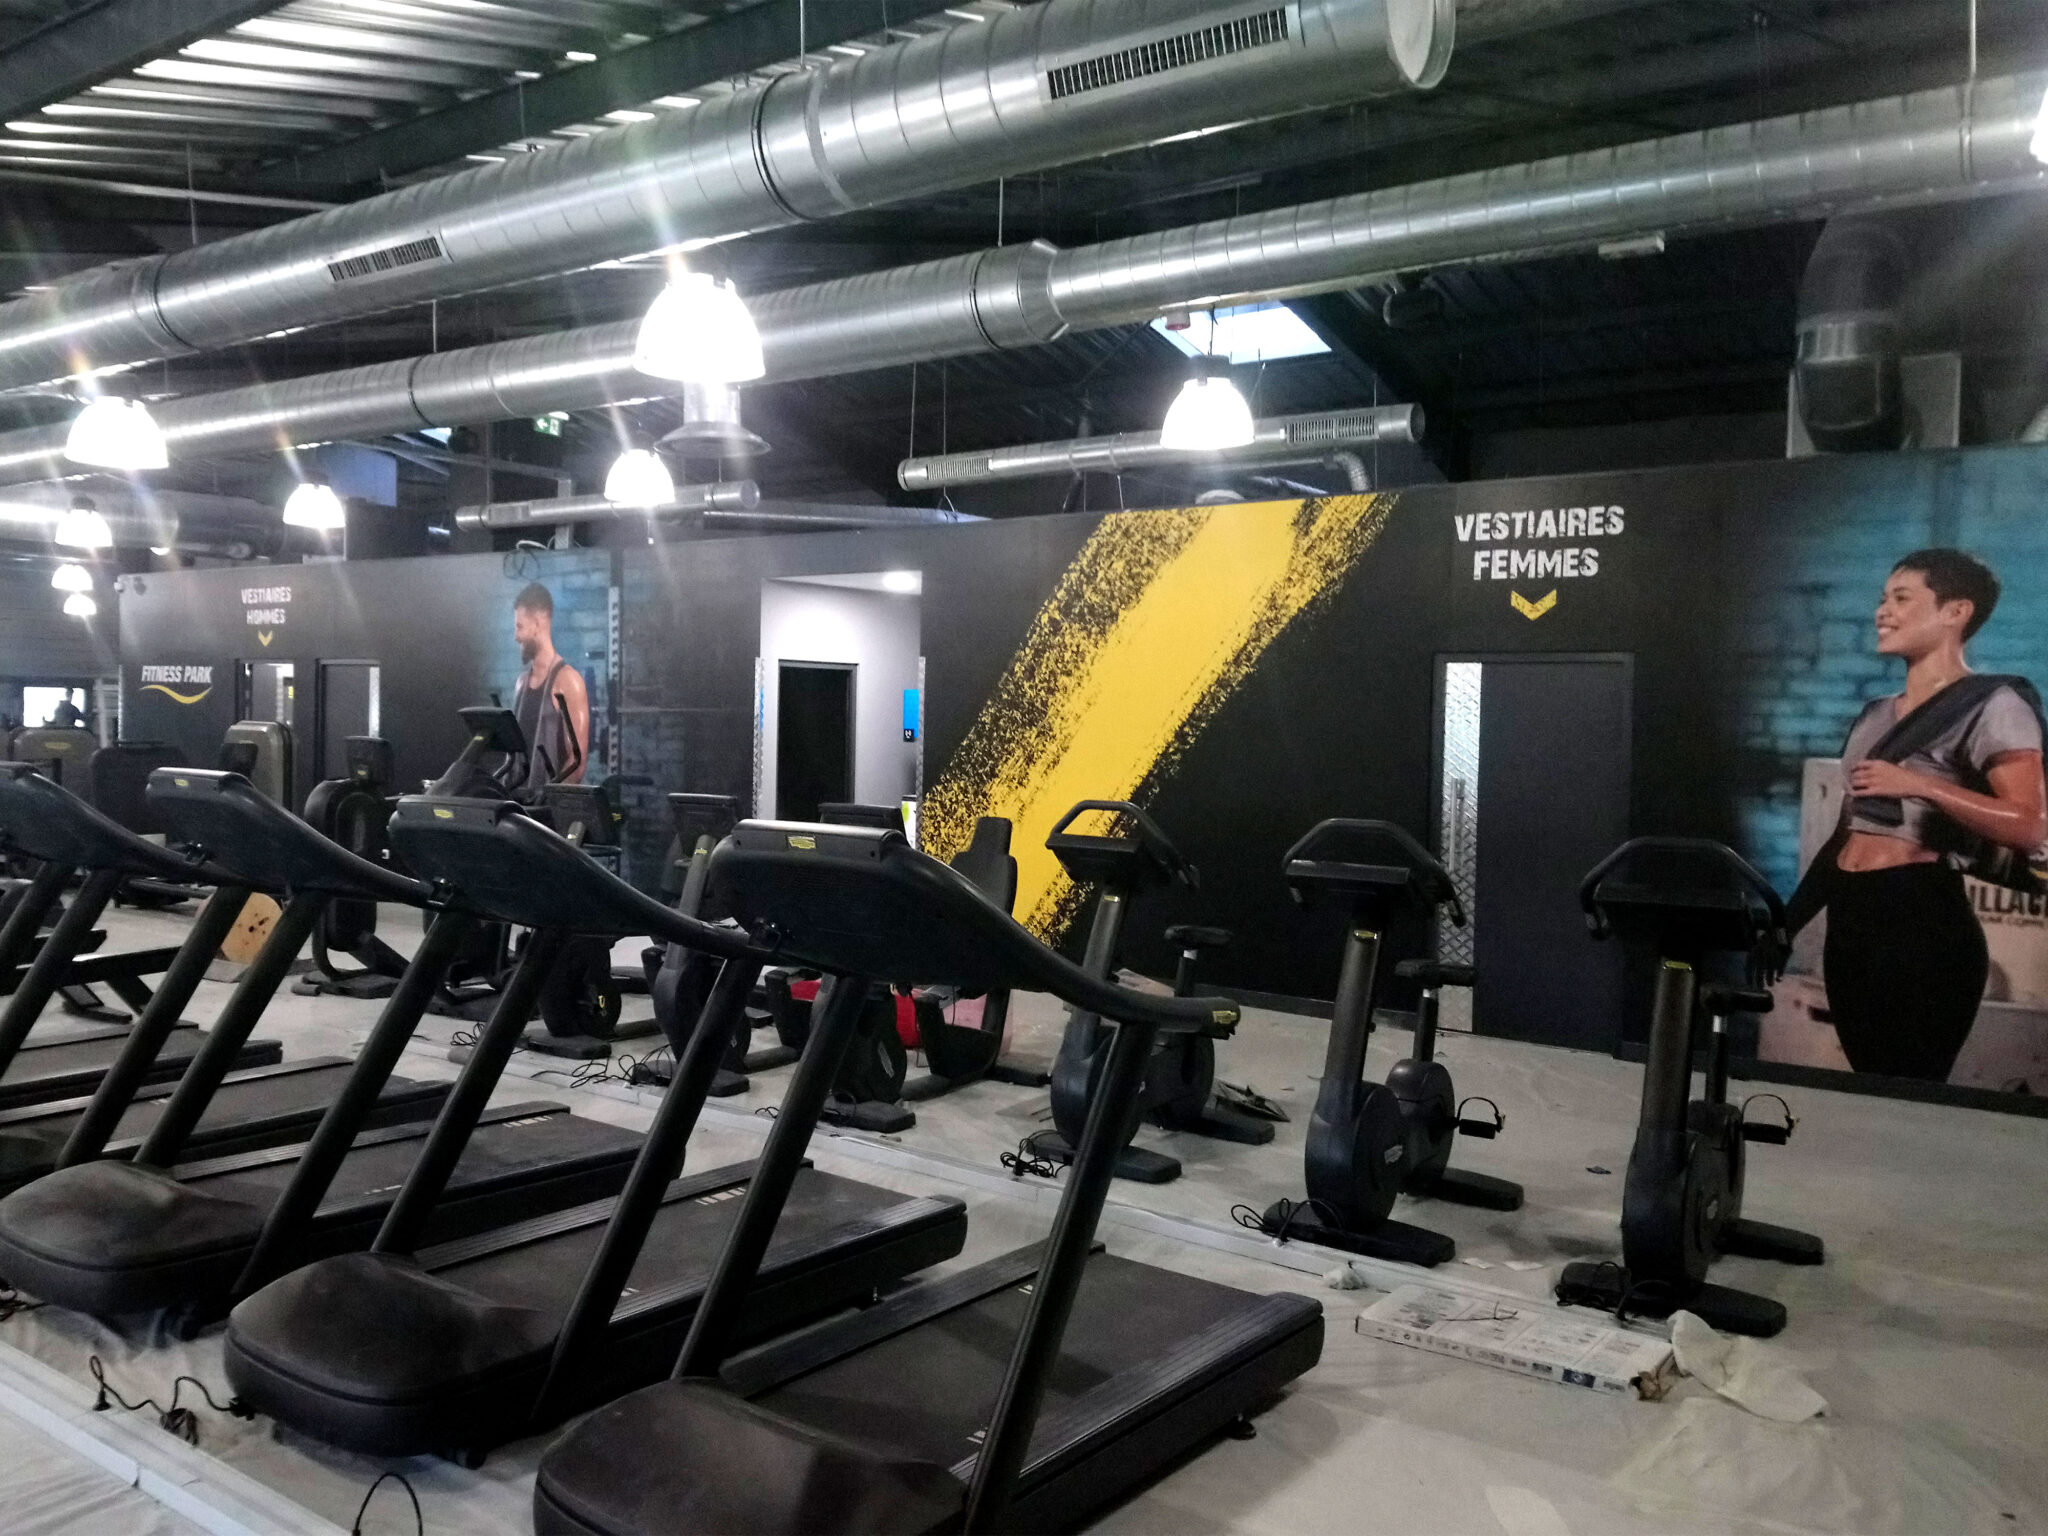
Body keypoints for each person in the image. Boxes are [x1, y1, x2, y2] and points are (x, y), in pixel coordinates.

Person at [1788, 549, 2046, 1081]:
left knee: (1909, 1092)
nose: (1882, 611)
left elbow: (2030, 826)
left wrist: (1920, 785)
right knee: (1868, 1085)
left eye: (1902, 598)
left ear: (1956, 612)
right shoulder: (1874, 714)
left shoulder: (1996, 704)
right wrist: (1786, 924)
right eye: (1883, 599)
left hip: (1921, 921)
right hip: (1851, 922)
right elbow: (1845, 836)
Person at [511, 582, 591, 796]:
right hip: (518, 806)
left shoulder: (568, 681)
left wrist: (547, 803)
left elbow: (577, 762)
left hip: (549, 811)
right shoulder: (521, 683)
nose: (516, 636)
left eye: (519, 627)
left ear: (538, 623)